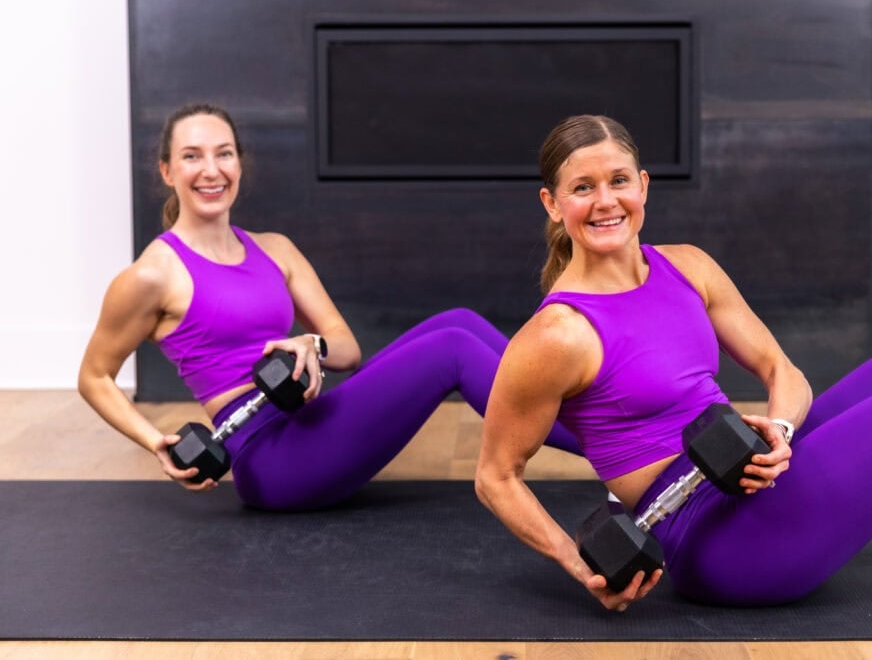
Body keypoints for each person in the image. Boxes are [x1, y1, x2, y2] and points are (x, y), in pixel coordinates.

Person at [474, 113, 872, 611]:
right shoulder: (558, 333)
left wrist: (781, 431)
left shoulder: (687, 267)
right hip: (722, 543)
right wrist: (579, 562)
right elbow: (496, 476)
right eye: (583, 188)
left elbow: (783, 372)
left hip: (752, 474)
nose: (605, 201)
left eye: (618, 180)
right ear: (552, 203)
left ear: (643, 186)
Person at [78, 102, 580, 512]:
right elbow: (94, 376)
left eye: (223, 153)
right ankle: (610, 448)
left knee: (458, 321)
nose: (211, 170)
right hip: (269, 459)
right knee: (451, 348)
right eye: (192, 156)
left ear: (239, 164)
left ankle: (593, 421)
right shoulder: (153, 274)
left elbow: (347, 350)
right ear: (167, 171)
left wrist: (311, 344)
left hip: (312, 422)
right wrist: (155, 441)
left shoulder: (275, 249)